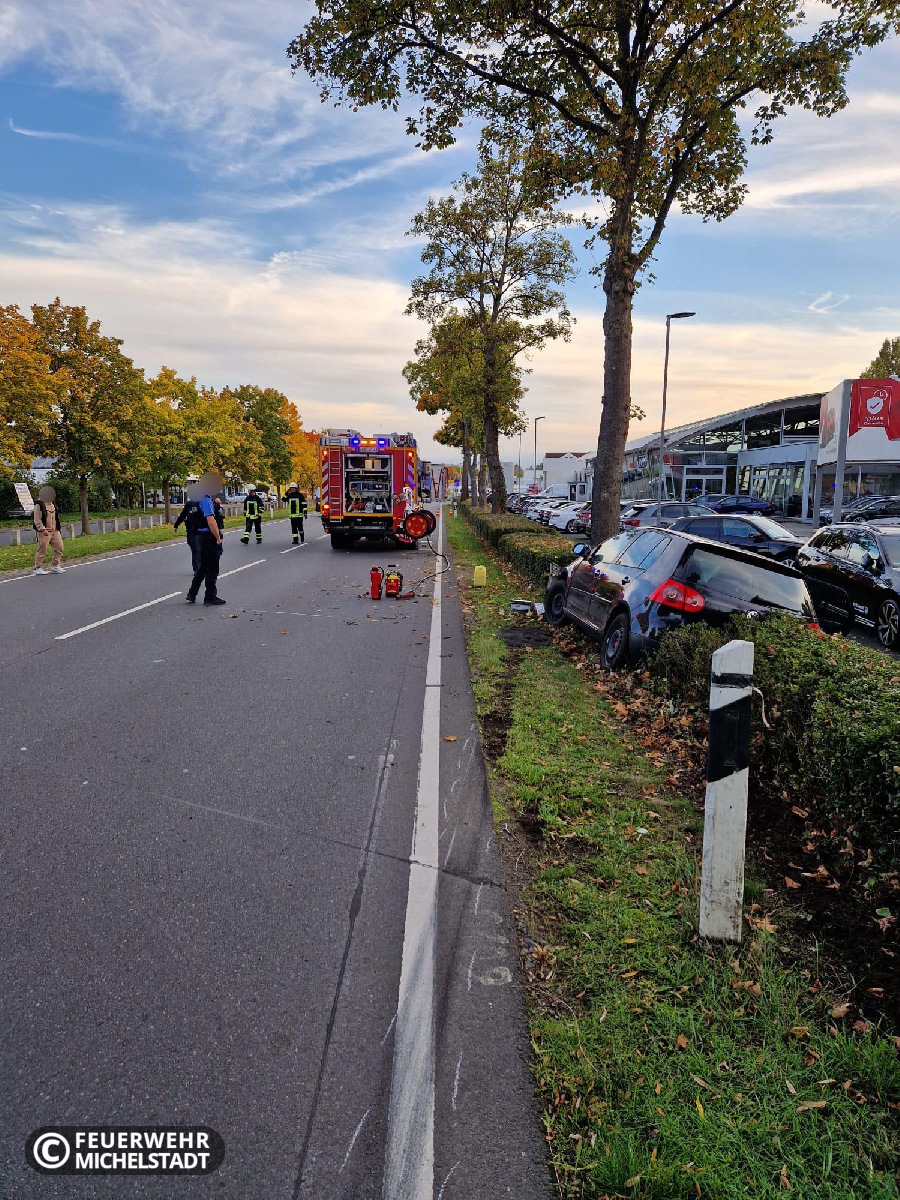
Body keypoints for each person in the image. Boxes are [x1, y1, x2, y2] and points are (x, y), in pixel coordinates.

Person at [187, 474, 225, 605]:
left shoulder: (197, 498)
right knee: (212, 568)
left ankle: (192, 593)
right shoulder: (206, 500)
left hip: (200, 536)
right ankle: (210, 596)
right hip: (209, 537)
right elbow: (211, 520)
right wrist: (218, 538)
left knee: (202, 567)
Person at [32, 485, 65, 575]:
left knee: (59, 547)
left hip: (54, 530)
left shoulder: (52, 503)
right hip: (44, 531)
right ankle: (37, 568)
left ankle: (55, 566)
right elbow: (37, 519)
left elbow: (56, 517)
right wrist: (42, 529)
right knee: (42, 549)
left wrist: (58, 528)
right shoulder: (39, 504)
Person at [173, 495, 203, 571]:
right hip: (192, 531)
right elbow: (183, 515)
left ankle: (202, 568)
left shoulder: (204, 503)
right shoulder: (190, 504)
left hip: (202, 530)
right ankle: (197, 569)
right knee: (196, 549)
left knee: (202, 550)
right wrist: (176, 525)